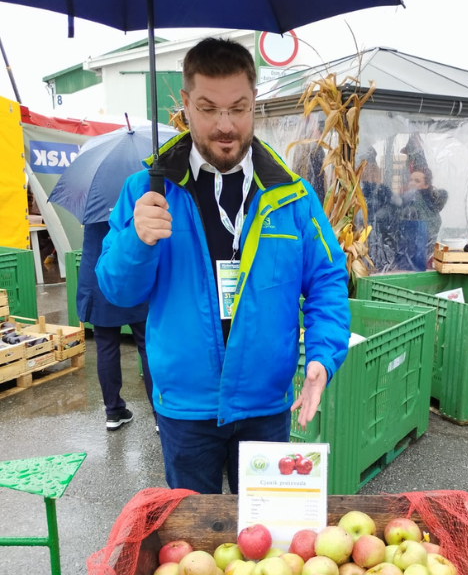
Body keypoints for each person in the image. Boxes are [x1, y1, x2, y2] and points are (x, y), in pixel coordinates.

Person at [96, 38, 350, 494]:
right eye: (209, 109)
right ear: (186, 106)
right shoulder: (147, 191)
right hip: (185, 409)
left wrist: (322, 355)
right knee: (193, 549)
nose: (226, 125)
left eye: (239, 108)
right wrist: (138, 240)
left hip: (267, 404)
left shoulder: (292, 195)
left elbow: (327, 278)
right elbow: (117, 292)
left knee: (268, 544)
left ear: (255, 104)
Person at [78, 220, 154, 431]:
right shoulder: (133, 197)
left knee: (106, 347)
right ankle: (159, 414)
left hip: (99, 281)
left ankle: (113, 412)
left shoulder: (92, 203)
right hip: (133, 279)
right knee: (147, 346)